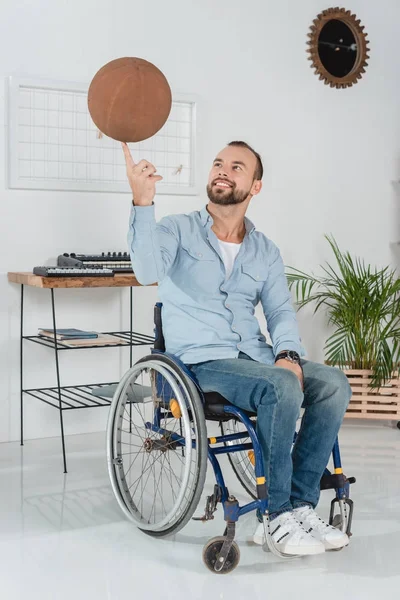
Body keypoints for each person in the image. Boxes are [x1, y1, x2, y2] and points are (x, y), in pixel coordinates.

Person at [123, 140, 352, 557]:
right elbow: (146, 271)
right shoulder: (176, 229)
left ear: (256, 186)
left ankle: (300, 506)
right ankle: (275, 514)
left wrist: (288, 353)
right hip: (200, 363)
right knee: (281, 387)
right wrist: (143, 202)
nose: (223, 171)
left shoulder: (264, 249)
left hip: (256, 359)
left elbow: (281, 310)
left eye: (236, 166)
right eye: (217, 164)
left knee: (334, 383)